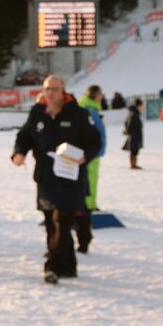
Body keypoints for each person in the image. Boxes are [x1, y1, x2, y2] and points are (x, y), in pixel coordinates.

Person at [12, 75, 99, 284]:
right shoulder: (37, 112)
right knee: (52, 222)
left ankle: (52, 266)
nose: (51, 93)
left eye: (55, 89)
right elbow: (24, 136)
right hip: (45, 177)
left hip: (70, 178)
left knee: (63, 221)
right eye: (47, 89)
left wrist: (85, 156)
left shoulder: (78, 114)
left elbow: (95, 141)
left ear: (64, 91)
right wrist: (19, 152)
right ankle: (68, 266)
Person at [75, 84, 107, 253]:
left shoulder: (92, 108)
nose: (102, 96)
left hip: (94, 152)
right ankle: (88, 206)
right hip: (89, 154)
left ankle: (91, 204)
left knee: (93, 180)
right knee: (89, 180)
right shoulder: (88, 109)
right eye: (100, 94)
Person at [123, 99, 144, 169]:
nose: (142, 107)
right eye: (141, 106)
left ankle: (134, 164)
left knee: (136, 150)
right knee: (134, 150)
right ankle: (133, 164)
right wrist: (128, 131)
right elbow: (129, 125)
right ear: (137, 106)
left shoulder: (135, 113)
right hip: (134, 136)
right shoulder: (133, 114)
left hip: (136, 135)